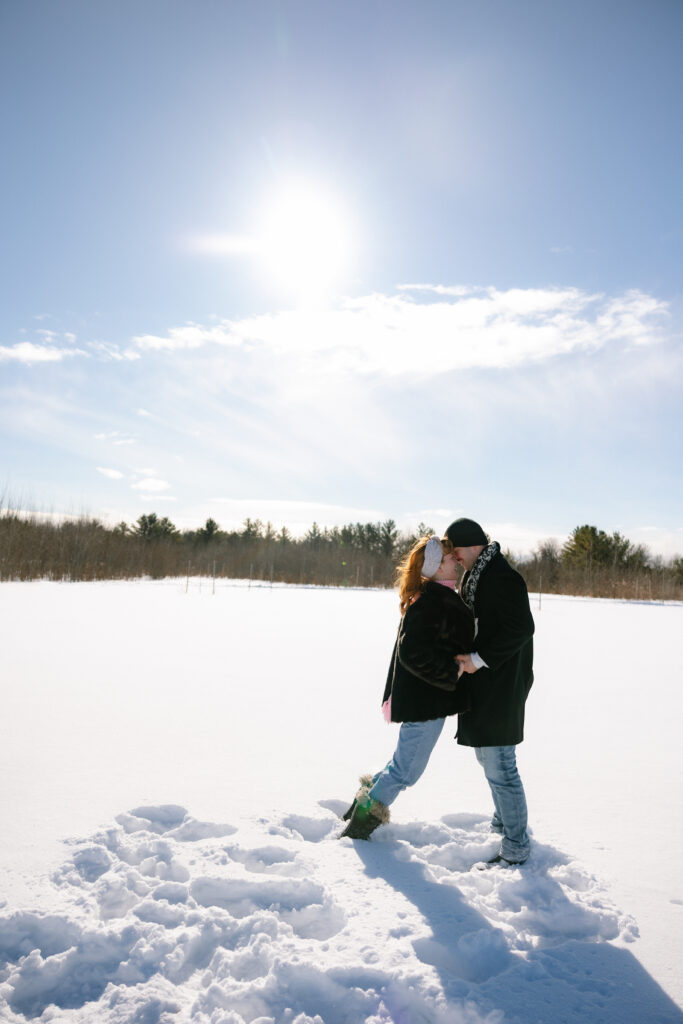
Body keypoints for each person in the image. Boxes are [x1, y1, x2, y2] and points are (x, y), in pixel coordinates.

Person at [340, 535, 473, 840]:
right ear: (437, 567)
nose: (456, 559)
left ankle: (359, 806)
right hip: (426, 701)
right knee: (406, 771)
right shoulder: (432, 601)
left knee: (401, 763)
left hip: (426, 699)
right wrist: (452, 671)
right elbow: (412, 652)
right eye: (450, 557)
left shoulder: (439, 596)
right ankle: (357, 830)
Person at [444, 517, 535, 866]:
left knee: (501, 764)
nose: (456, 558)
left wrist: (479, 659)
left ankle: (515, 846)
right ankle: (503, 823)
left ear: (470, 545)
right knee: (488, 757)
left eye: (456, 551)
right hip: (488, 682)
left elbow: (522, 628)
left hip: (503, 683)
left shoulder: (501, 577)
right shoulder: (481, 574)